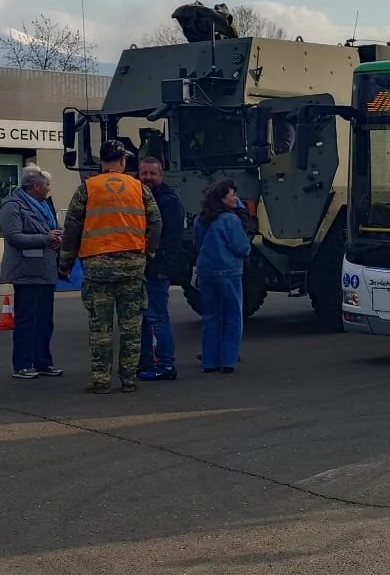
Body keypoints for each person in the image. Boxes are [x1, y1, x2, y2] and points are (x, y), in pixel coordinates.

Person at [57, 140, 161, 394]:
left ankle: (101, 380)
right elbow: (156, 223)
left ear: (101, 162)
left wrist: (66, 262)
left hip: (98, 265)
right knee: (131, 325)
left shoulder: (87, 188)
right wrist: (147, 252)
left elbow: (72, 227)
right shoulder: (139, 188)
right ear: (124, 162)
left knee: (100, 326)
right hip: (132, 265)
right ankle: (128, 379)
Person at [0, 165, 65, 379]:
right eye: (46, 185)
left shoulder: (44, 205)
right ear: (35, 185)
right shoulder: (13, 206)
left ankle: (43, 362)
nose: (49, 189)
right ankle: (22, 364)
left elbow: (51, 230)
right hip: (26, 271)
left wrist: (58, 237)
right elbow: (14, 237)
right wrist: (47, 238)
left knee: (45, 320)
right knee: (26, 319)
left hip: (46, 270)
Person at [135, 156, 188, 382]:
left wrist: (164, 268)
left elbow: (174, 239)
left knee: (157, 317)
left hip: (157, 269)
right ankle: (146, 362)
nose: (147, 178)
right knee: (144, 318)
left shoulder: (169, 201)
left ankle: (166, 364)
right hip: (142, 268)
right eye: (144, 173)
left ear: (161, 175)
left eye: (152, 174)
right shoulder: (140, 199)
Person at [193, 180, 251, 374]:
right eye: (232, 195)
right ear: (222, 199)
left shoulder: (201, 219)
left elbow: (197, 243)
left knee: (210, 317)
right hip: (229, 272)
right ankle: (228, 360)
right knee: (233, 316)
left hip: (206, 272)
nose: (236, 199)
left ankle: (209, 361)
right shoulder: (230, 219)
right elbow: (242, 247)